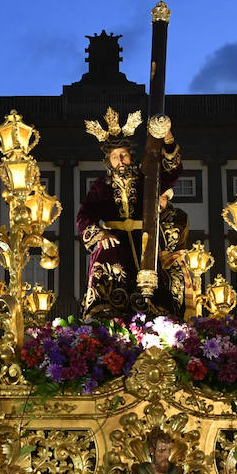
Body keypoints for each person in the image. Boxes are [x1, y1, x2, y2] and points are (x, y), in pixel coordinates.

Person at [76, 108, 188, 320]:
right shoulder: (101, 186)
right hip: (114, 241)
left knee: (153, 289)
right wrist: (100, 234)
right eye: (115, 156)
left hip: (142, 240)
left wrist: (168, 138)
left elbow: (172, 172)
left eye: (124, 155)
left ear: (130, 157)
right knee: (107, 269)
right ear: (109, 161)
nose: (120, 160)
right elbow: (84, 215)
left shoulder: (146, 180)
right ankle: (102, 313)